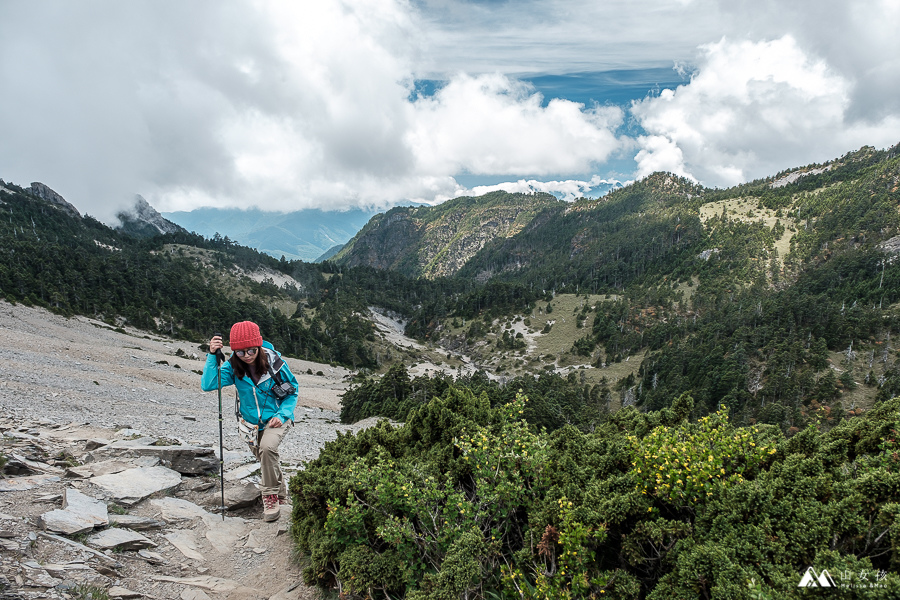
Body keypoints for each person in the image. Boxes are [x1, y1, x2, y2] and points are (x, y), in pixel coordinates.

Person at [201, 321, 298, 521]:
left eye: (251, 350)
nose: (246, 356)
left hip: (277, 417)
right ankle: (281, 495)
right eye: (240, 352)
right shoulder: (233, 367)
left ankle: (270, 498)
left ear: (259, 345)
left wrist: (281, 415)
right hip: (250, 424)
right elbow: (209, 384)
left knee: (268, 449)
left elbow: (292, 392)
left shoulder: (275, 362)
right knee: (265, 458)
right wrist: (212, 356)